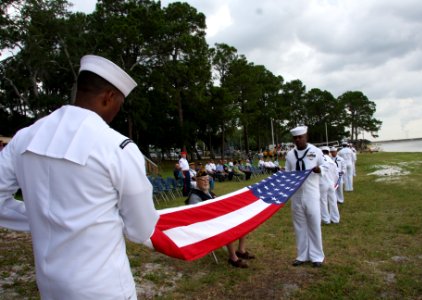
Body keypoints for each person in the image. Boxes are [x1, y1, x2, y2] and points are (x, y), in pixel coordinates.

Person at [0, 54, 160, 299]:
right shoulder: (116, 147)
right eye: (120, 103)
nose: (118, 111)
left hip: (49, 284)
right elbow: (141, 228)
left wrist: (40, 216)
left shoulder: (24, 137)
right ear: (109, 97)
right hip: (103, 286)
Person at [186, 171, 255, 268]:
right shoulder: (194, 197)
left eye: (207, 179)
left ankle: (241, 250)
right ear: (197, 181)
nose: (206, 182)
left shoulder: (208, 192)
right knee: (226, 226)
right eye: (203, 180)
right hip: (204, 226)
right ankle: (233, 258)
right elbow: (197, 216)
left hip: (216, 220)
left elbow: (220, 204)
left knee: (241, 220)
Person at [284, 126, 326, 268]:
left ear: (306, 136)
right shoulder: (290, 155)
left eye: (300, 137)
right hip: (296, 195)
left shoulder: (316, 151)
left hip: (311, 194)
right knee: (299, 226)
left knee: (314, 224)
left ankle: (317, 256)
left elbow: (327, 165)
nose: (298, 140)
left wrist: (320, 169)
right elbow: (288, 172)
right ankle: (302, 255)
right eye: (295, 138)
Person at [319, 146, 340, 224]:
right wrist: (334, 183)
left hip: (322, 183)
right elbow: (336, 175)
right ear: (329, 152)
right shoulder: (332, 161)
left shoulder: (319, 160)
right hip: (331, 183)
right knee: (333, 201)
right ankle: (335, 218)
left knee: (323, 201)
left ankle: (325, 219)